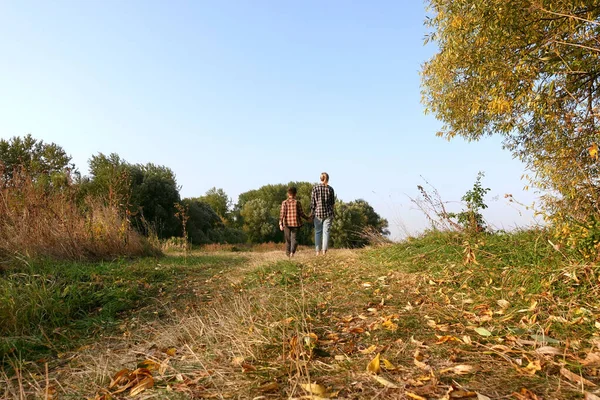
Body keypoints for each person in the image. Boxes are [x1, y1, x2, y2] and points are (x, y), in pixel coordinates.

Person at [279, 186, 309, 258]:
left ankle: (288, 254)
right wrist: (307, 218)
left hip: (286, 224)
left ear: (288, 193)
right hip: (296, 223)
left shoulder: (284, 203)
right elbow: (301, 213)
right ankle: (292, 252)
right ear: (295, 194)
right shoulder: (297, 203)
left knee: (288, 240)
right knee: (294, 239)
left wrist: (280, 223)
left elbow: (282, 214)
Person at [310, 172, 335, 255]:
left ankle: (317, 252)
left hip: (317, 213)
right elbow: (332, 203)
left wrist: (311, 213)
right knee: (326, 232)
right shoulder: (330, 189)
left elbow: (313, 203)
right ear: (327, 178)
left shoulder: (315, 188)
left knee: (317, 232)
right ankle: (324, 252)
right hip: (328, 213)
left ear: (320, 178)